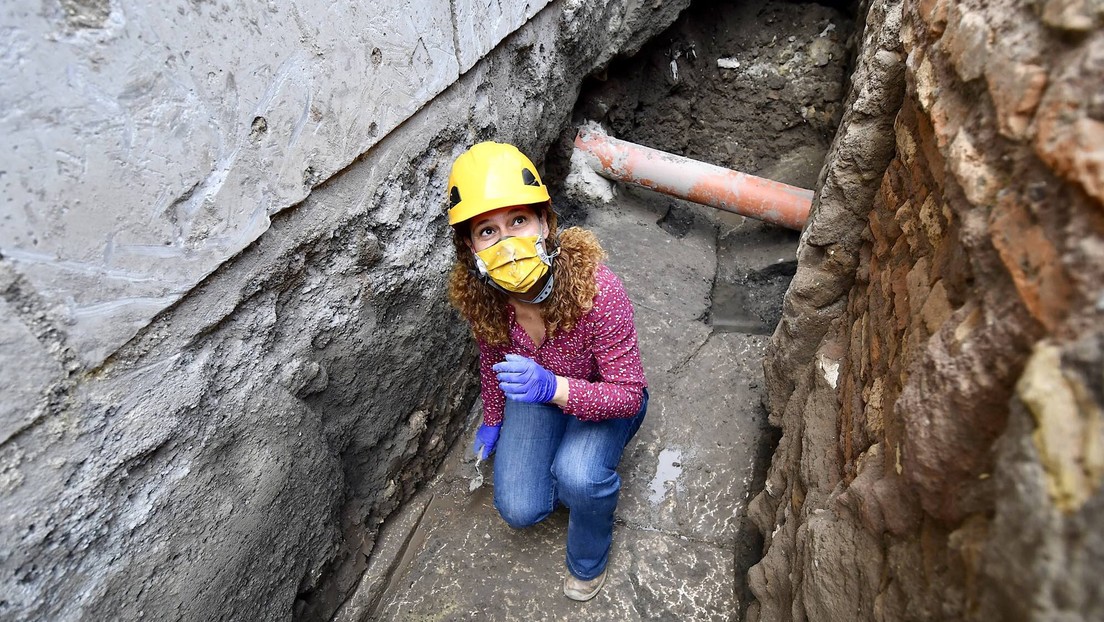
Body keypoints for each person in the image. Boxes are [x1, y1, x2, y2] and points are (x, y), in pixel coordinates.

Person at [445, 141, 649, 602]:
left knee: (579, 476)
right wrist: (494, 420)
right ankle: (569, 464)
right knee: (519, 507)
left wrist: (553, 388)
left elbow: (628, 395)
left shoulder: (599, 290)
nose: (508, 242)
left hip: (604, 397)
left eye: (518, 220)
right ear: (470, 249)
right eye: (487, 231)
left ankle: (588, 553)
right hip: (540, 398)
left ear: (545, 223)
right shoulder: (488, 299)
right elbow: (491, 359)